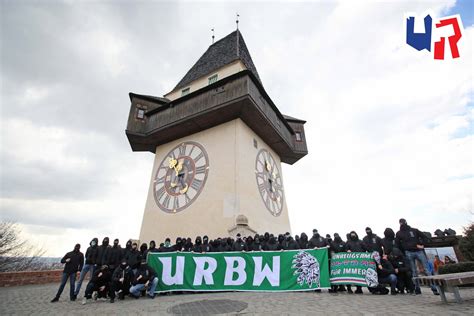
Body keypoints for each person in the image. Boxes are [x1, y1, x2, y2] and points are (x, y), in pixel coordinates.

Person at [395, 218, 439, 295]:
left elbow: (425, 237)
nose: (402, 224)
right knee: (414, 272)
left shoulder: (414, 230)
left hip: (419, 251)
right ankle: (417, 288)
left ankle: (434, 288)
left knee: (427, 270)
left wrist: (422, 245)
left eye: (403, 222)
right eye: (401, 222)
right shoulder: (399, 233)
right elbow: (397, 244)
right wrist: (403, 252)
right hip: (408, 252)